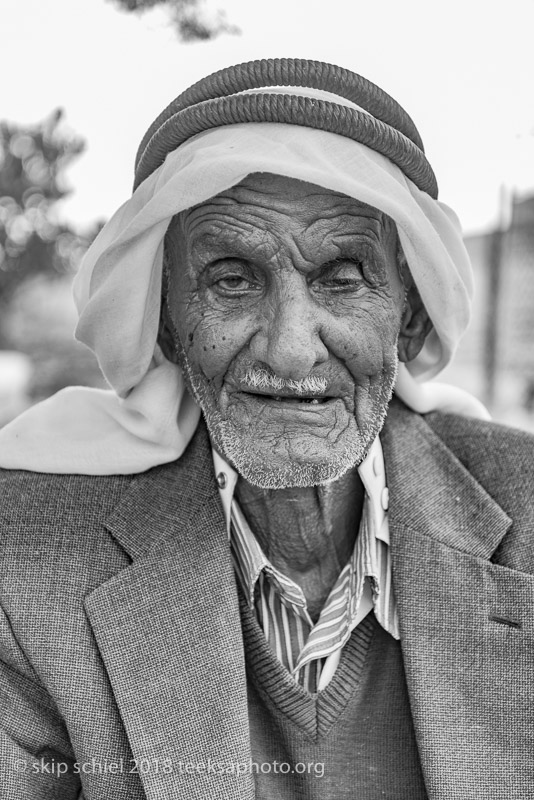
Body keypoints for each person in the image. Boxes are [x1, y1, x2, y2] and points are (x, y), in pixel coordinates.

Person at [0, 58, 532, 800]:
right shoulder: (25, 566)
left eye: (342, 276)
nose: (290, 348)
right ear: (166, 324)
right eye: (231, 279)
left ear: (409, 321)